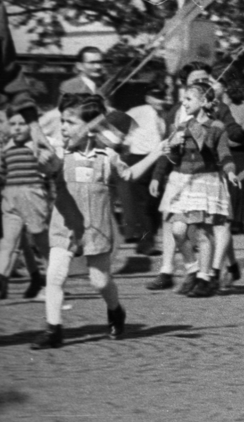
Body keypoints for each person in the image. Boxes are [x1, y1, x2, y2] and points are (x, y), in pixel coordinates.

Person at [30, 96, 161, 349]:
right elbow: (49, 167)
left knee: (99, 281)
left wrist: (157, 151)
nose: (64, 127)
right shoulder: (60, 151)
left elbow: (129, 174)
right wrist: (44, 162)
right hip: (64, 226)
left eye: (70, 122)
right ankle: (53, 329)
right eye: (62, 122)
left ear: (91, 126)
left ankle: (115, 310)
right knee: (55, 277)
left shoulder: (107, 155)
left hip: (96, 228)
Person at [159, 82, 238, 297]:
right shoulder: (183, 127)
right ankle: (192, 268)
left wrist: (230, 171)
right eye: (183, 99)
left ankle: (204, 277)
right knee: (177, 229)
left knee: (203, 232)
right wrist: (171, 147)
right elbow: (175, 158)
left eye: (188, 99)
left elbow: (224, 154)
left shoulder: (217, 127)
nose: (183, 103)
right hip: (185, 183)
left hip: (206, 182)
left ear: (203, 102)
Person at [1, 102, 51, 300]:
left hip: (32, 196)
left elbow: (51, 169)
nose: (17, 128)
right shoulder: (6, 149)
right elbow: (2, 173)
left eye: (22, 124)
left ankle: (52, 282)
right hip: (10, 197)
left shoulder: (37, 147)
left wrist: (47, 162)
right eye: (13, 124)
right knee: (7, 243)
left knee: (41, 241)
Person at [120, 84, 170, 257]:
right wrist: (125, 143)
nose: (160, 101)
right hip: (138, 158)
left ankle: (147, 240)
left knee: (154, 202)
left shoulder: (163, 115)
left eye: (162, 97)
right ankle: (146, 242)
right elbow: (120, 124)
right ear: (148, 98)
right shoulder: (139, 110)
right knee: (142, 204)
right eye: (156, 97)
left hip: (156, 160)